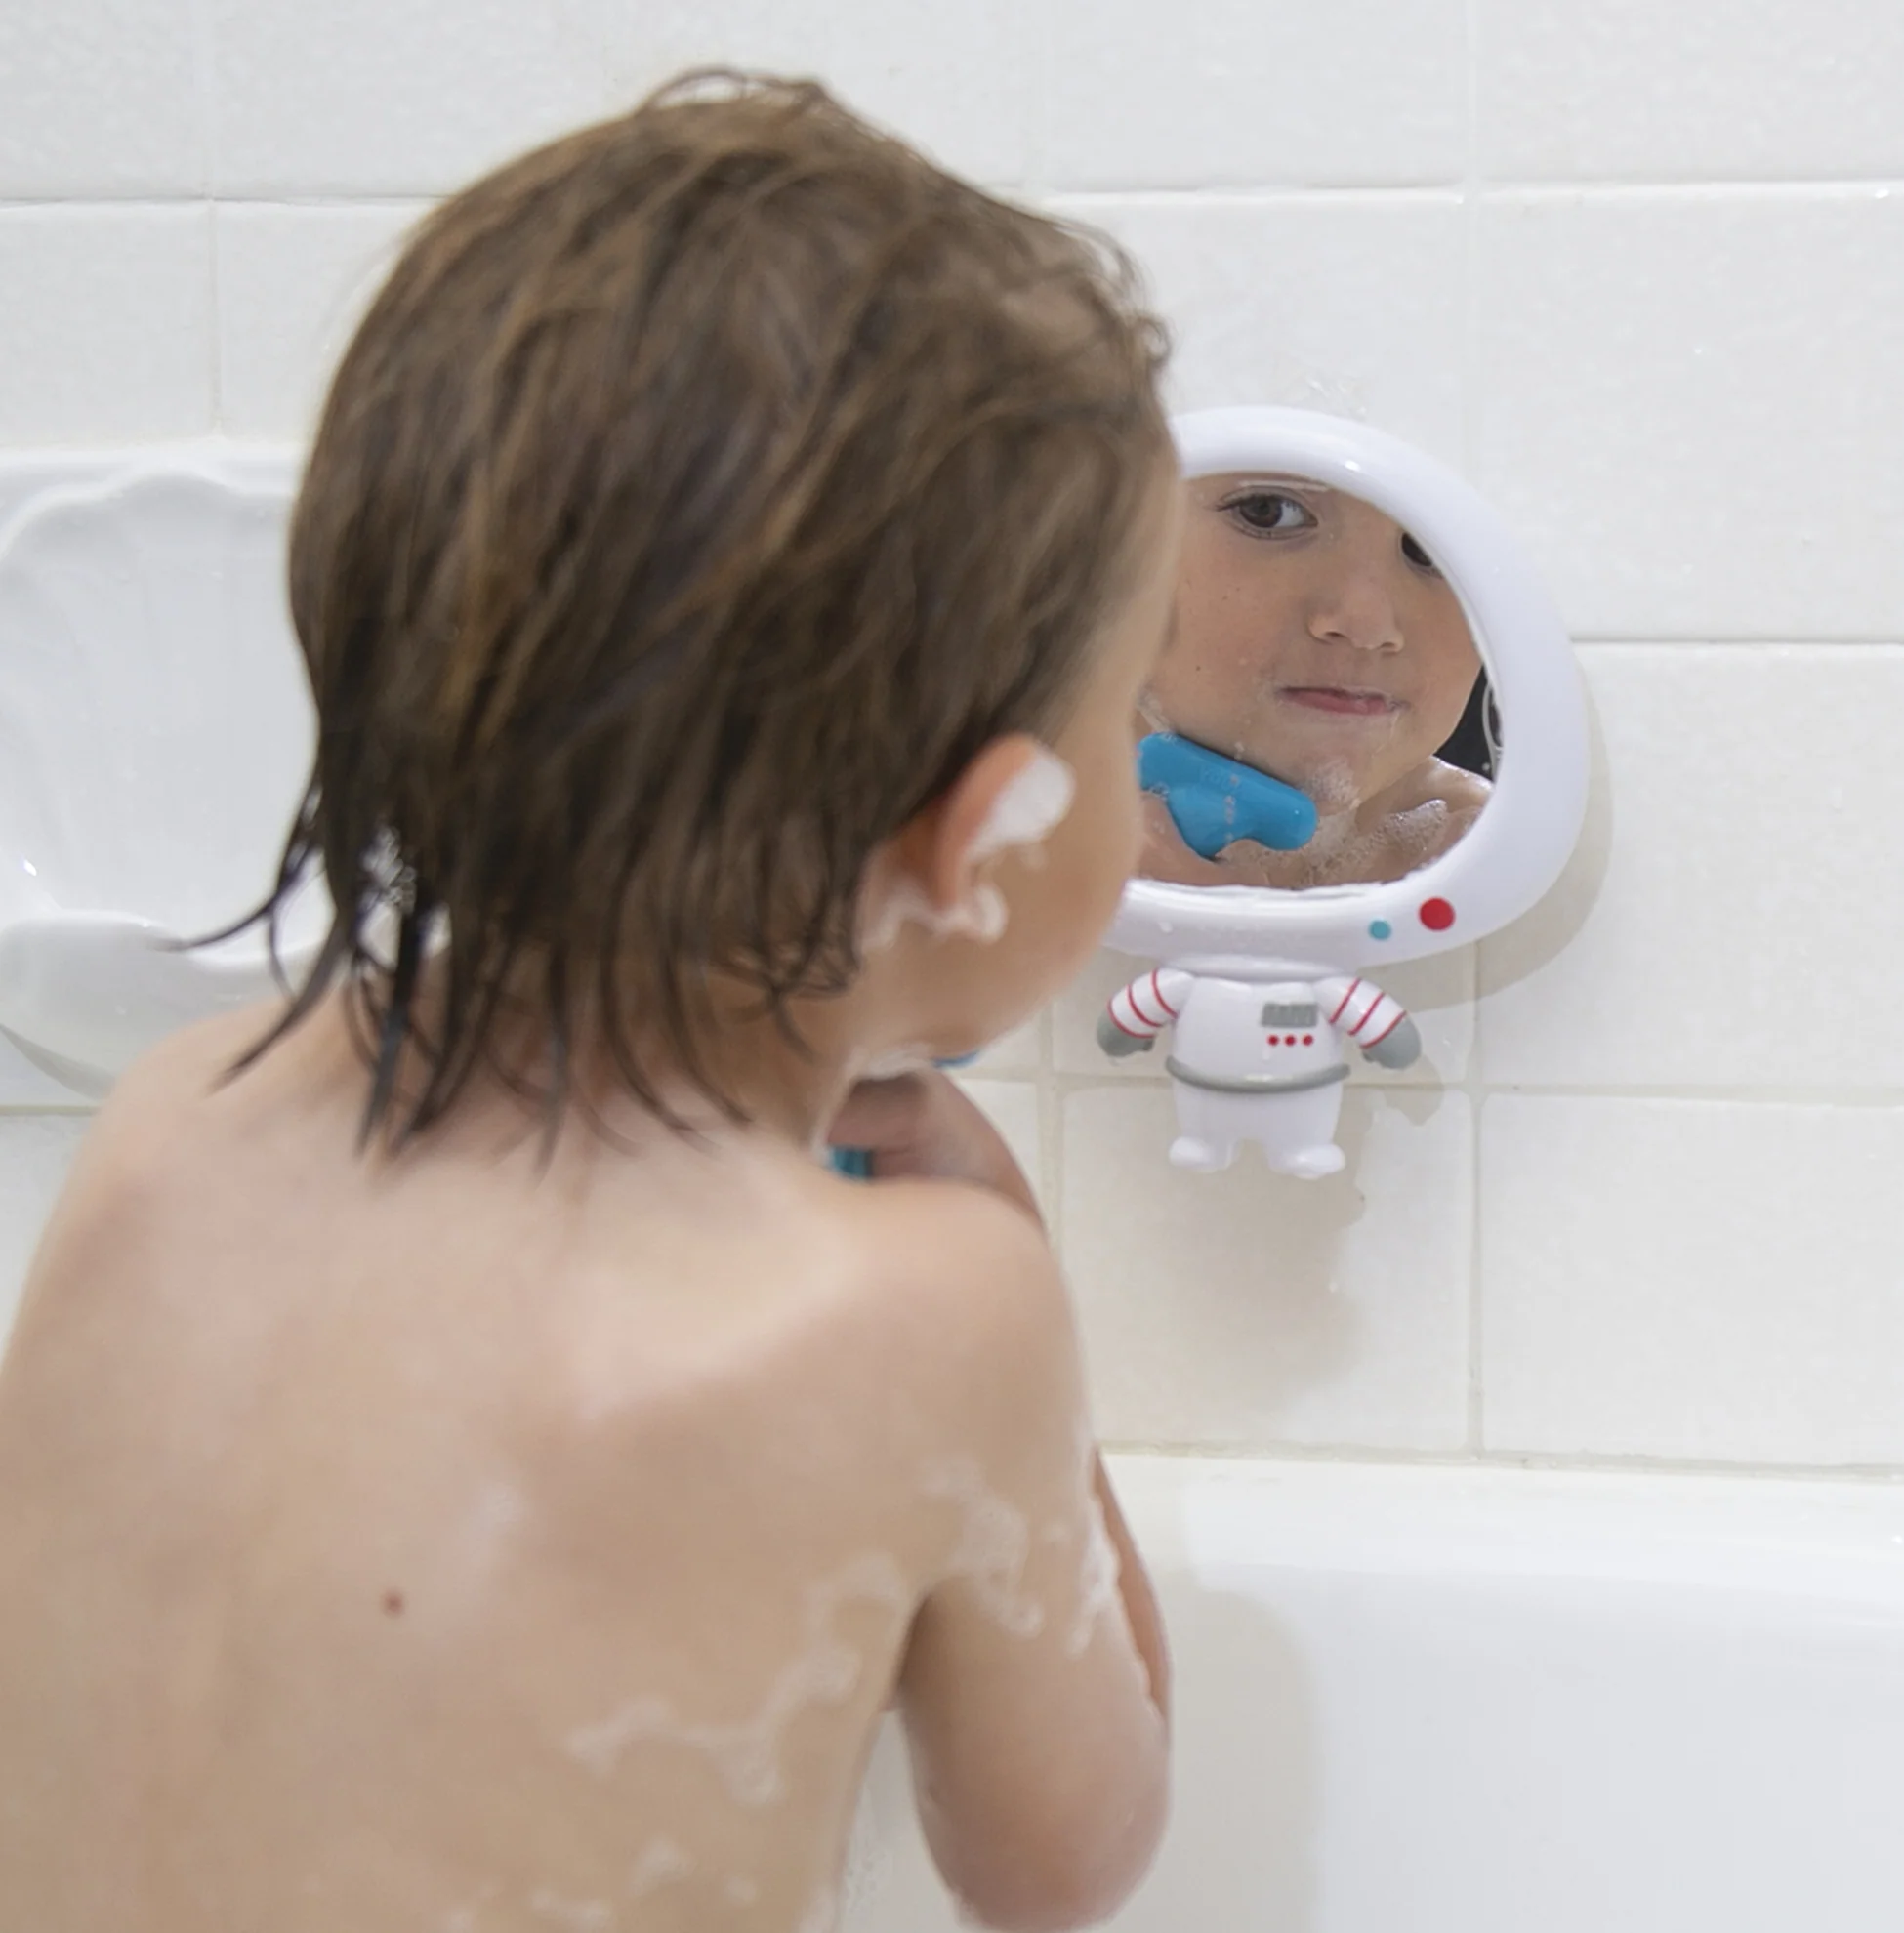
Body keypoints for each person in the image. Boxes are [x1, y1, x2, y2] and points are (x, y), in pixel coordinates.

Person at [0, 75, 1179, 1932]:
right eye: (1131, 716)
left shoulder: (172, 1126)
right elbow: (1061, 1864)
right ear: (982, 834)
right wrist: (983, 1214)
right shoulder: (925, 1314)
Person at [1139, 473, 1491, 888]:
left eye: (1431, 549)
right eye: (1268, 513)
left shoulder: (1493, 856)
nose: (1366, 626)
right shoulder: (1044, 826)